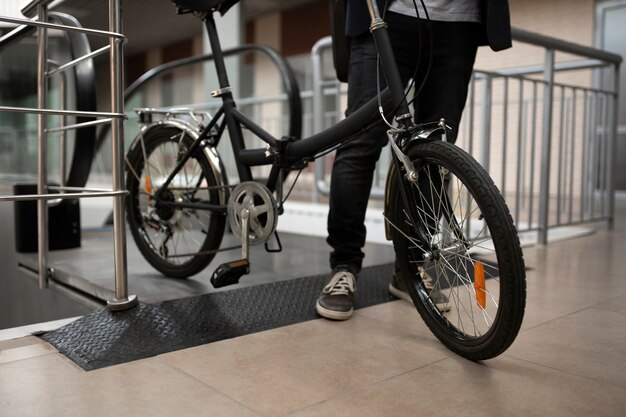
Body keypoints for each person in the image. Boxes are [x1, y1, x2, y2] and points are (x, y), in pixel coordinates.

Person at [316, 0, 512, 320]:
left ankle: (411, 268)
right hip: (386, 13)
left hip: (458, 22)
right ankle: (344, 266)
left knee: (435, 152)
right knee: (360, 144)